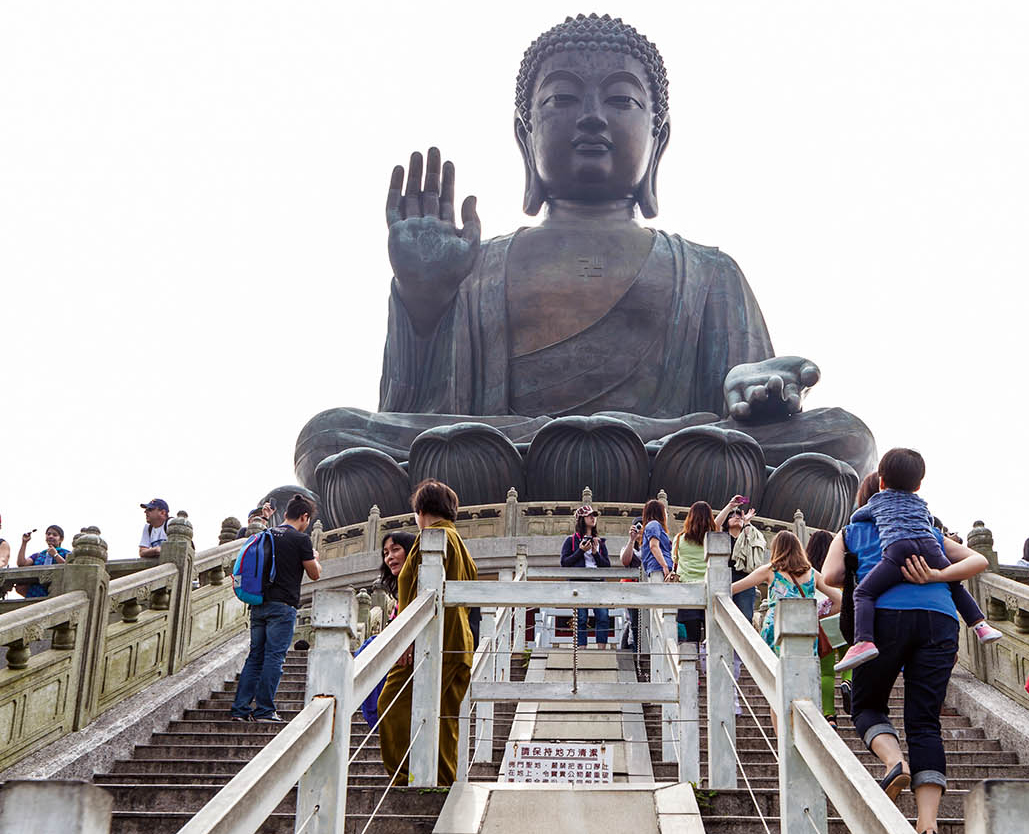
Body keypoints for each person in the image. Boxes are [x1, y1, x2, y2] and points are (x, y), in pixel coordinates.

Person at [290, 14, 877, 530]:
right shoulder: (478, 266)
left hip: (665, 457)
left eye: (621, 100)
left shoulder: (708, 272)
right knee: (329, 436)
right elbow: (404, 412)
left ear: (659, 138)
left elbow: (742, 424)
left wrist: (755, 393)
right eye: (562, 100)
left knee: (846, 437)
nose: (592, 117)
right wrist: (423, 301)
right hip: (511, 461)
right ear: (526, 138)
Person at [822, 477, 991, 829]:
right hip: (940, 620)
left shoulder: (851, 529)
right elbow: (975, 559)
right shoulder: (927, 529)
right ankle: (927, 824)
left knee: (866, 704)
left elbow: (830, 575)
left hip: (883, 621)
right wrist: (933, 575)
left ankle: (895, 762)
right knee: (925, 721)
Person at [836, 448, 1000, 672]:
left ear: (881, 481)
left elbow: (858, 517)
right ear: (918, 485)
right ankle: (981, 626)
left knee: (863, 593)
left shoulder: (874, 504)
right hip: (930, 548)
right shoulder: (922, 505)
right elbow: (932, 522)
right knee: (954, 585)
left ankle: (863, 641)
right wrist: (939, 575)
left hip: (897, 550)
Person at [378, 479, 478, 786]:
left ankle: (408, 777)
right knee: (444, 720)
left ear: (420, 509)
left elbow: (419, 594)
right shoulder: (459, 541)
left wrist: (408, 635)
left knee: (391, 706)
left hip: (431, 642)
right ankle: (442, 783)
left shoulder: (431, 537)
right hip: (458, 643)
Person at [230, 494, 321, 722]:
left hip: (259, 604)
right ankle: (264, 710)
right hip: (283, 606)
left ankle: (240, 710)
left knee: (255, 657)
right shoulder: (301, 540)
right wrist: (315, 557)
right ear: (304, 517)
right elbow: (315, 573)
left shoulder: (266, 534)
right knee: (274, 657)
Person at [732, 530, 824, 734]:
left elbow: (733, 588)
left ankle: (782, 741)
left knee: (777, 689)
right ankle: (804, 737)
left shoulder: (770, 570)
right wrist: (817, 612)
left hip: (776, 631)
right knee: (803, 688)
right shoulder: (812, 574)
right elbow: (839, 600)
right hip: (805, 632)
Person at [357, 530, 416, 728]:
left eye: (395, 550)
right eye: (385, 553)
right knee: (370, 645)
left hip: (414, 655)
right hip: (397, 654)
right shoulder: (401, 591)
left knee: (372, 645)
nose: (389, 557)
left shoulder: (419, 585)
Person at [806, 529, 845, 729]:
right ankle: (849, 684)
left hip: (821, 620)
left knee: (827, 672)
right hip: (843, 616)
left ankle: (830, 716)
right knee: (851, 662)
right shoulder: (839, 564)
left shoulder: (806, 569)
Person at [560, 505, 612, 648]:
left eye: (594, 515)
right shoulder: (571, 540)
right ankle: (581, 648)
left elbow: (607, 566)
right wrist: (580, 551)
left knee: (602, 615)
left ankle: (601, 649)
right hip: (578, 583)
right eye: (589, 515)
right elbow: (564, 563)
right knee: (581, 617)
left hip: (598, 583)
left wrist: (596, 552)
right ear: (581, 519)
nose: (593, 518)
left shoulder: (599, 542)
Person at [715, 495, 765, 622]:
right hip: (725, 577)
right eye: (733, 516)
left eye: (739, 516)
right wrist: (730, 506)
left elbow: (755, 541)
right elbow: (715, 525)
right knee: (723, 615)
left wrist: (747, 522)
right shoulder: (722, 537)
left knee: (744, 616)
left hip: (745, 578)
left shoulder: (747, 536)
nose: (737, 518)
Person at [672, 501, 715, 643]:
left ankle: (692, 664)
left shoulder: (679, 539)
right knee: (712, 638)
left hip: (687, 593)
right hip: (710, 589)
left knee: (692, 638)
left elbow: (675, 560)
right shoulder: (714, 539)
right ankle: (708, 665)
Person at [15, 525, 68, 598]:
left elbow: (70, 568)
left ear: (61, 539)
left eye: (55, 535)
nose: (51, 536)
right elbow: (22, 564)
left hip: (56, 593)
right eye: (48, 534)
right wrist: (24, 543)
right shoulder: (39, 555)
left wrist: (55, 555)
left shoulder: (65, 553)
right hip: (36, 592)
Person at [619, 518, 645, 650]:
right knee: (634, 621)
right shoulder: (628, 547)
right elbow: (625, 561)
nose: (640, 529)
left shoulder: (651, 546)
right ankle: (635, 649)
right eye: (638, 526)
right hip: (632, 591)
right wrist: (632, 539)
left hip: (648, 591)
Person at [639, 499, 674, 578]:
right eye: (665, 512)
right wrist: (664, 565)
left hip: (659, 567)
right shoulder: (654, 524)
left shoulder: (654, 526)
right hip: (658, 568)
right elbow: (654, 546)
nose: (666, 514)